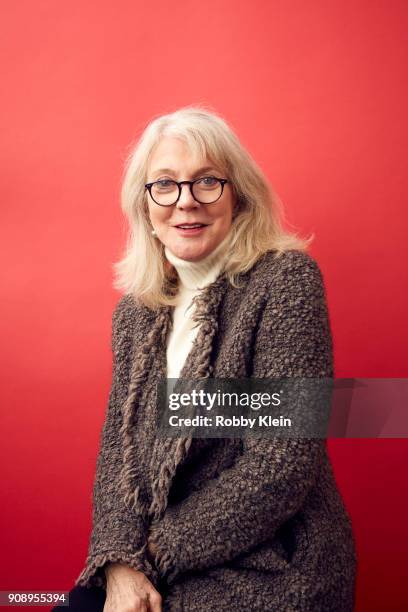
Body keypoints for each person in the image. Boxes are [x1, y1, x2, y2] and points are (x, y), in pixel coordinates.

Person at [54, 106, 357, 611]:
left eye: (207, 182)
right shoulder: (135, 312)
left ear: (238, 196)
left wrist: (149, 557)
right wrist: (118, 561)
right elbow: (118, 453)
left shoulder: (285, 282)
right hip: (155, 558)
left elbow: (282, 463)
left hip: (272, 565)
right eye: (165, 185)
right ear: (145, 205)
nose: (185, 202)